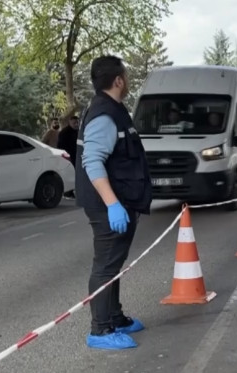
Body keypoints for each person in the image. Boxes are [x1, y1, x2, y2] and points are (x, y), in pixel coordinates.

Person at [75, 55, 152, 350]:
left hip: (119, 199)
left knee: (114, 263)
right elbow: (92, 162)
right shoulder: (104, 115)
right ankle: (101, 330)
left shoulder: (113, 110)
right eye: (127, 75)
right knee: (106, 265)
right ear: (118, 80)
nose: (129, 80)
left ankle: (114, 316)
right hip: (107, 203)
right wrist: (112, 204)